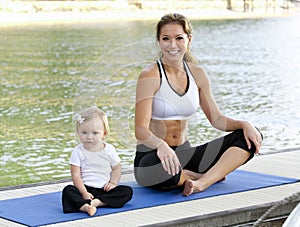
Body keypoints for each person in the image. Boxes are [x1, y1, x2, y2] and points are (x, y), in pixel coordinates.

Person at [134, 13, 263, 196]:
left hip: (184, 155)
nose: (172, 45)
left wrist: (245, 125)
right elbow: (140, 129)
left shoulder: (198, 74)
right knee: (161, 173)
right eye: (166, 39)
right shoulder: (150, 74)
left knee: (250, 138)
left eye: (179, 38)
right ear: (159, 41)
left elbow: (217, 119)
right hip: (152, 156)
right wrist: (161, 146)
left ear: (189, 39)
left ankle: (202, 182)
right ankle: (200, 176)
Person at [62, 106, 133, 216]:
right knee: (68, 190)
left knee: (127, 191)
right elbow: (76, 175)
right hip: (85, 188)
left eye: (95, 133)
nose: (89, 137)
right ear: (78, 132)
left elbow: (116, 168)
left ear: (104, 133)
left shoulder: (109, 149)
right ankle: (85, 207)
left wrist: (113, 183)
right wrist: (84, 192)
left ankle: (97, 203)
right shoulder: (78, 151)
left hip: (105, 189)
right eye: (84, 133)